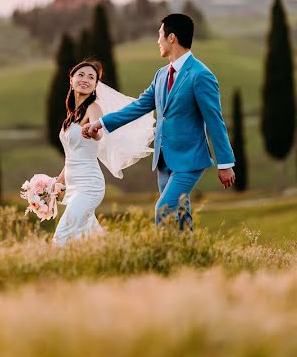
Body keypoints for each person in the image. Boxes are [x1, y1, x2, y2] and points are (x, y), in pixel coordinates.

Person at [83, 13, 235, 230]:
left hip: (190, 160)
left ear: (171, 37)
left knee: (162, 210)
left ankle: (159, 257)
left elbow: (215, 121)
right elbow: (139, 106)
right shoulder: (161, 75)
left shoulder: (201, 75)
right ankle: (191, 258)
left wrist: (225, 163)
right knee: (181, 215)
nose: (158, 41)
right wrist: (102, 123)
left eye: (160, 35)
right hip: (164, 159)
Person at [52, 60, 154, 245]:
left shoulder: (94, 108)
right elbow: (72, 158)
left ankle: (51, 265)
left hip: (89, 186)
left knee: (63, 232)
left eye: (91, 77)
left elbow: (98, 133)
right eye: (81, 75)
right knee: (90, 236)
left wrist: (93, 130)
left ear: (95, 85)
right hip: (73, 186)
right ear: (71, 80)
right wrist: (57, 182)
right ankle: (115, 258)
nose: (85, 79)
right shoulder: (70, 116)